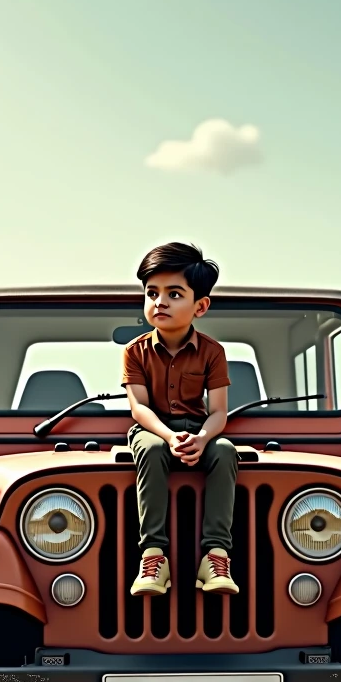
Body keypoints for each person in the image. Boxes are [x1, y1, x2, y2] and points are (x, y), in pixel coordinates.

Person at [121, 241, 239, 596]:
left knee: (226, 451)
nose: (160, 302)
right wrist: (169, 437)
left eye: (174, 294)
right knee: (153, 449)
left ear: (200, 306)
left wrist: (202, 439)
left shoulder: (212, 352)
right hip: (150, 428)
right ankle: (153, 556)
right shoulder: (135, 351)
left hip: (197, 429)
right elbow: (139, 408)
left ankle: (215, 556)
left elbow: (219, 411)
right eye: (152, 293)